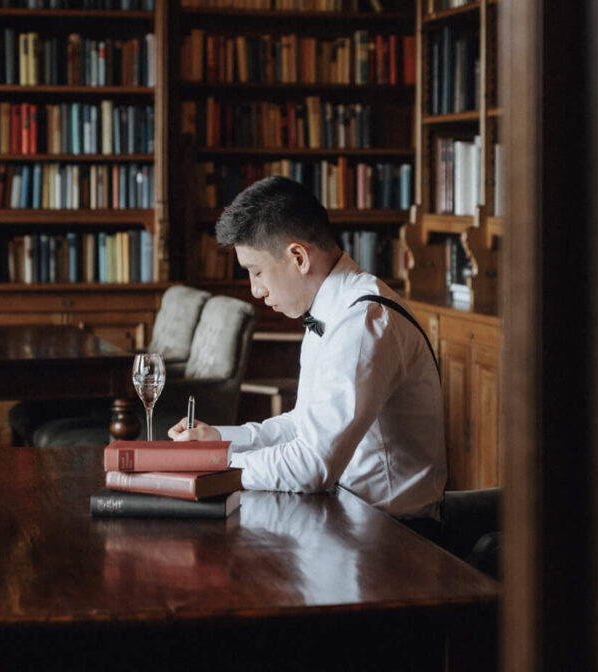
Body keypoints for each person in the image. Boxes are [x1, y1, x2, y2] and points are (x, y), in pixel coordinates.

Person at [168, 175, 447, 524]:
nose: (256, 290)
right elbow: (304, 426)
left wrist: (214, 463)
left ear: (298, 256)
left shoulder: (361, 322)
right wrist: (220, 441)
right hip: (347, 515)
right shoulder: (334, 308)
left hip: (393, 537)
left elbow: (311, 466)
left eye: (256, 272)